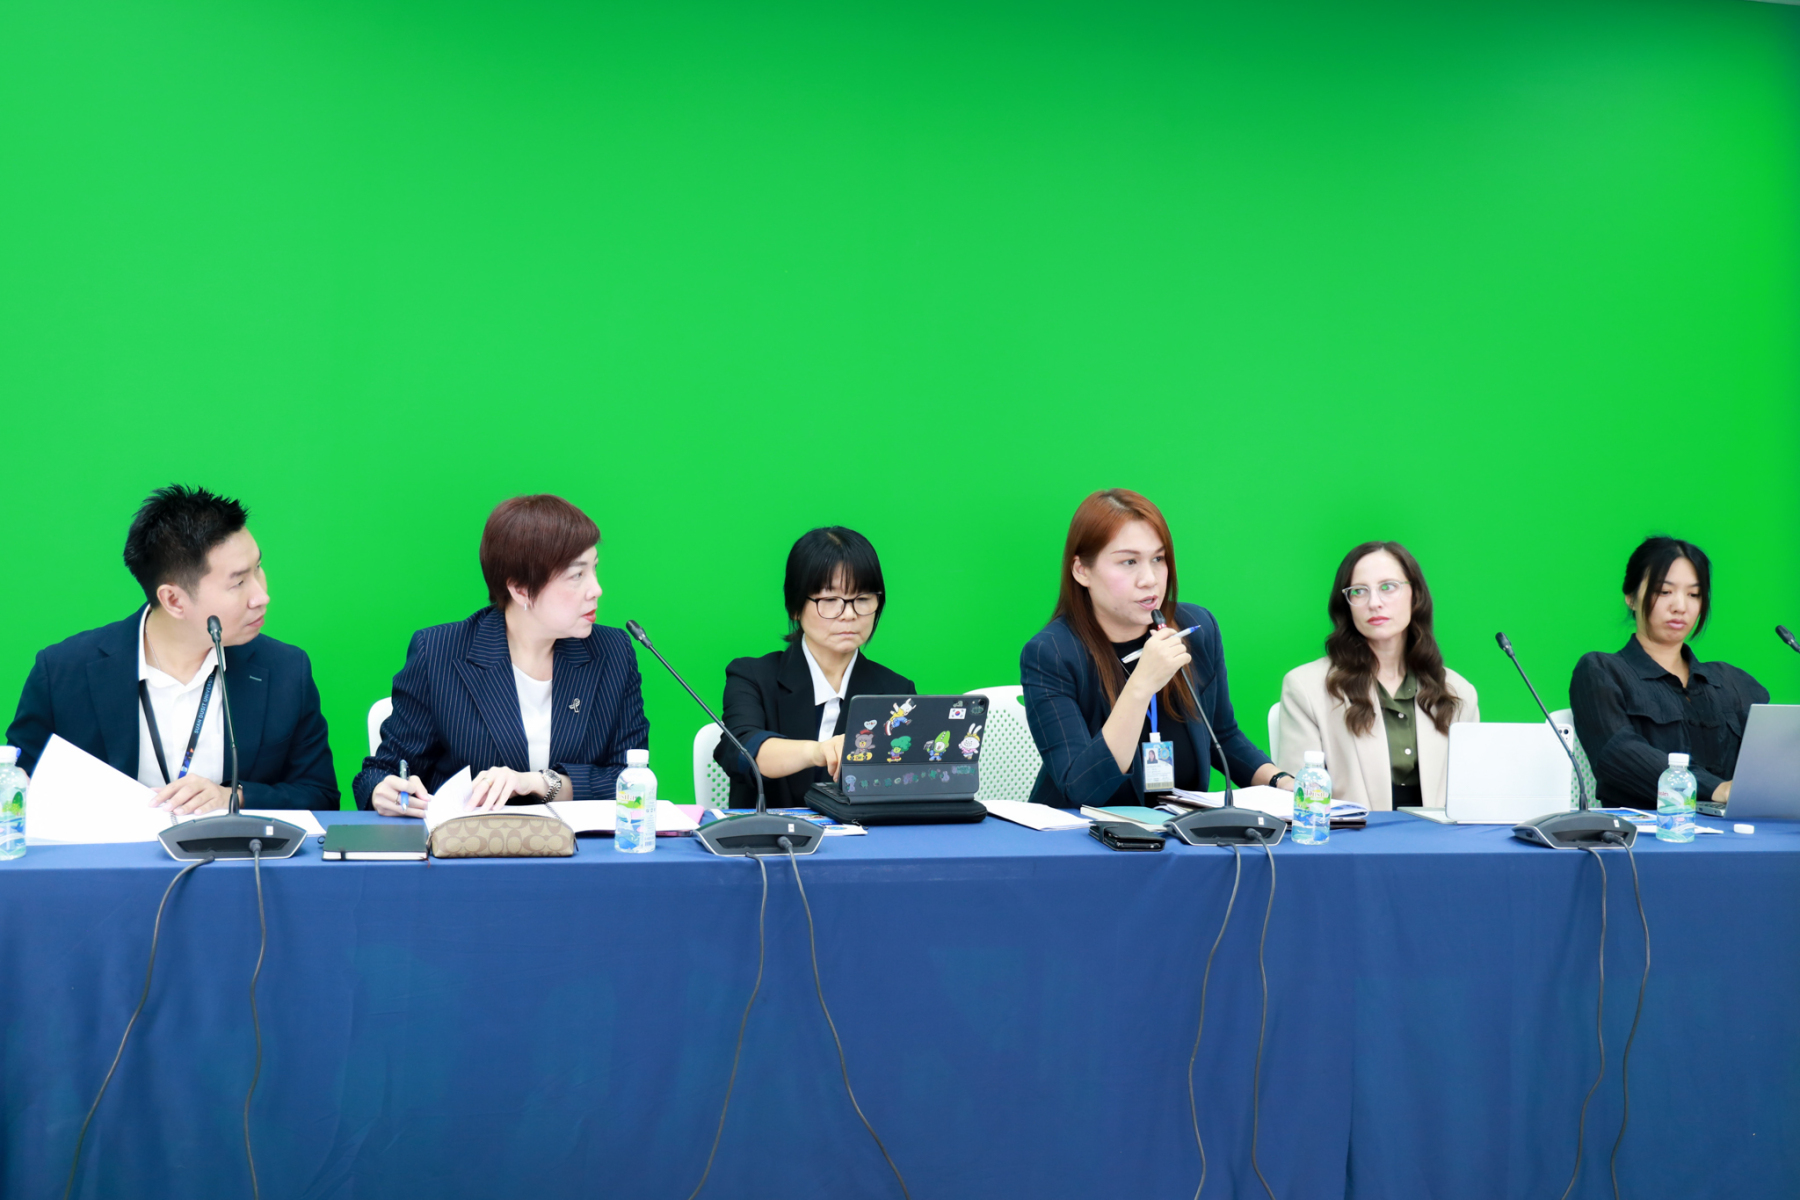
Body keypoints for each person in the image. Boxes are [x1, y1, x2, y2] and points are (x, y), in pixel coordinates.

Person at [6, 485, 337, 811]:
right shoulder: (62, 673)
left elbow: (320, 795)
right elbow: (16, 789)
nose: (261, 596)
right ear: (174, 600)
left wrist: (234, 797)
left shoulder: (286, 670)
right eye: (238, 582)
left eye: (258, 568)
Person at [352, 495, 647, 814]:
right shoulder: (438, 653)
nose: (596, 589)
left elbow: (630, 779)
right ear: (521, 589)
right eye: (577, 575)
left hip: (577, 844)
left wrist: (540, 783)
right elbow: (379, 773)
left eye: (594, 569)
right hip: (467, 842)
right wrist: (382, 790)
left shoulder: (613, 653)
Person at [1020, 489, 1284, 809]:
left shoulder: (1196, 628)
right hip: (1082, 831)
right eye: (1129, 561)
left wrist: (1282, 782)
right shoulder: (1051, 654)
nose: (1149, 579)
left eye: (1158, 559)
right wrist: (1141, 685)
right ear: (1082, 571)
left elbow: (1223, 736)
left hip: (1177, 828)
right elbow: (1081, 789)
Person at [716, 527, 914, 809]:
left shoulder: (896, 692)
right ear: (795, 607)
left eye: (862, 599)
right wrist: (818, 751)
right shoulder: (752, 677)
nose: (849, 614)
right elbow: (742, 751)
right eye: (830, 600)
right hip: (770, 836)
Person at [1277, 541, 1479, 810]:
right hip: (1349, 834)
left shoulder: (1457, 691)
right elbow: (1299, 800)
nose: (1374, 603)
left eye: (1388, 587)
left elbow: (1472, 796)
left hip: (1441, 835)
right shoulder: (1306, 687)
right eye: (1359, 591)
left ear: (1415, 595)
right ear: (1346, 605)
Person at [1570, 536, 1768, 809]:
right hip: (1644, 831)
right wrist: (1716, 789)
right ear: (1631, 597)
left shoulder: (1733, 682)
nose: (1680, 606)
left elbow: (1773, 756)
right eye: (1664, 591)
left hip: (1733, 829)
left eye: (1694, 595)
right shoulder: (1601, 671)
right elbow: (1617, 754)